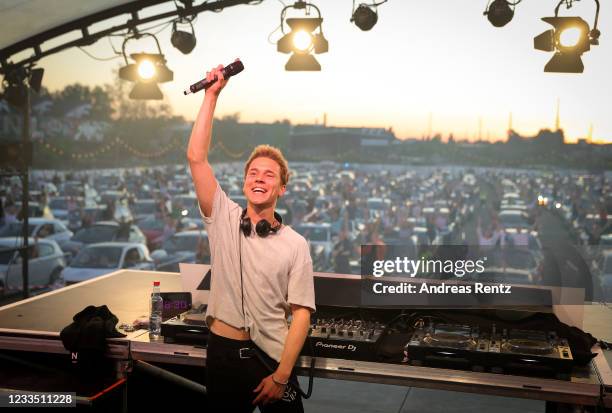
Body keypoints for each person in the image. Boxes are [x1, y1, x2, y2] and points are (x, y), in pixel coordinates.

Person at [187, 62, 315, 412]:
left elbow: (301, 314)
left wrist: (282, 376)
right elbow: (196, 158)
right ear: (245, 181)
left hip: (273, 358)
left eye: (269, 175)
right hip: (223, 355)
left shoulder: (295, 244)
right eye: (253, 172)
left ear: (281, 189)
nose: (259, 178)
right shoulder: (224, 218)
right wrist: (212, 96)